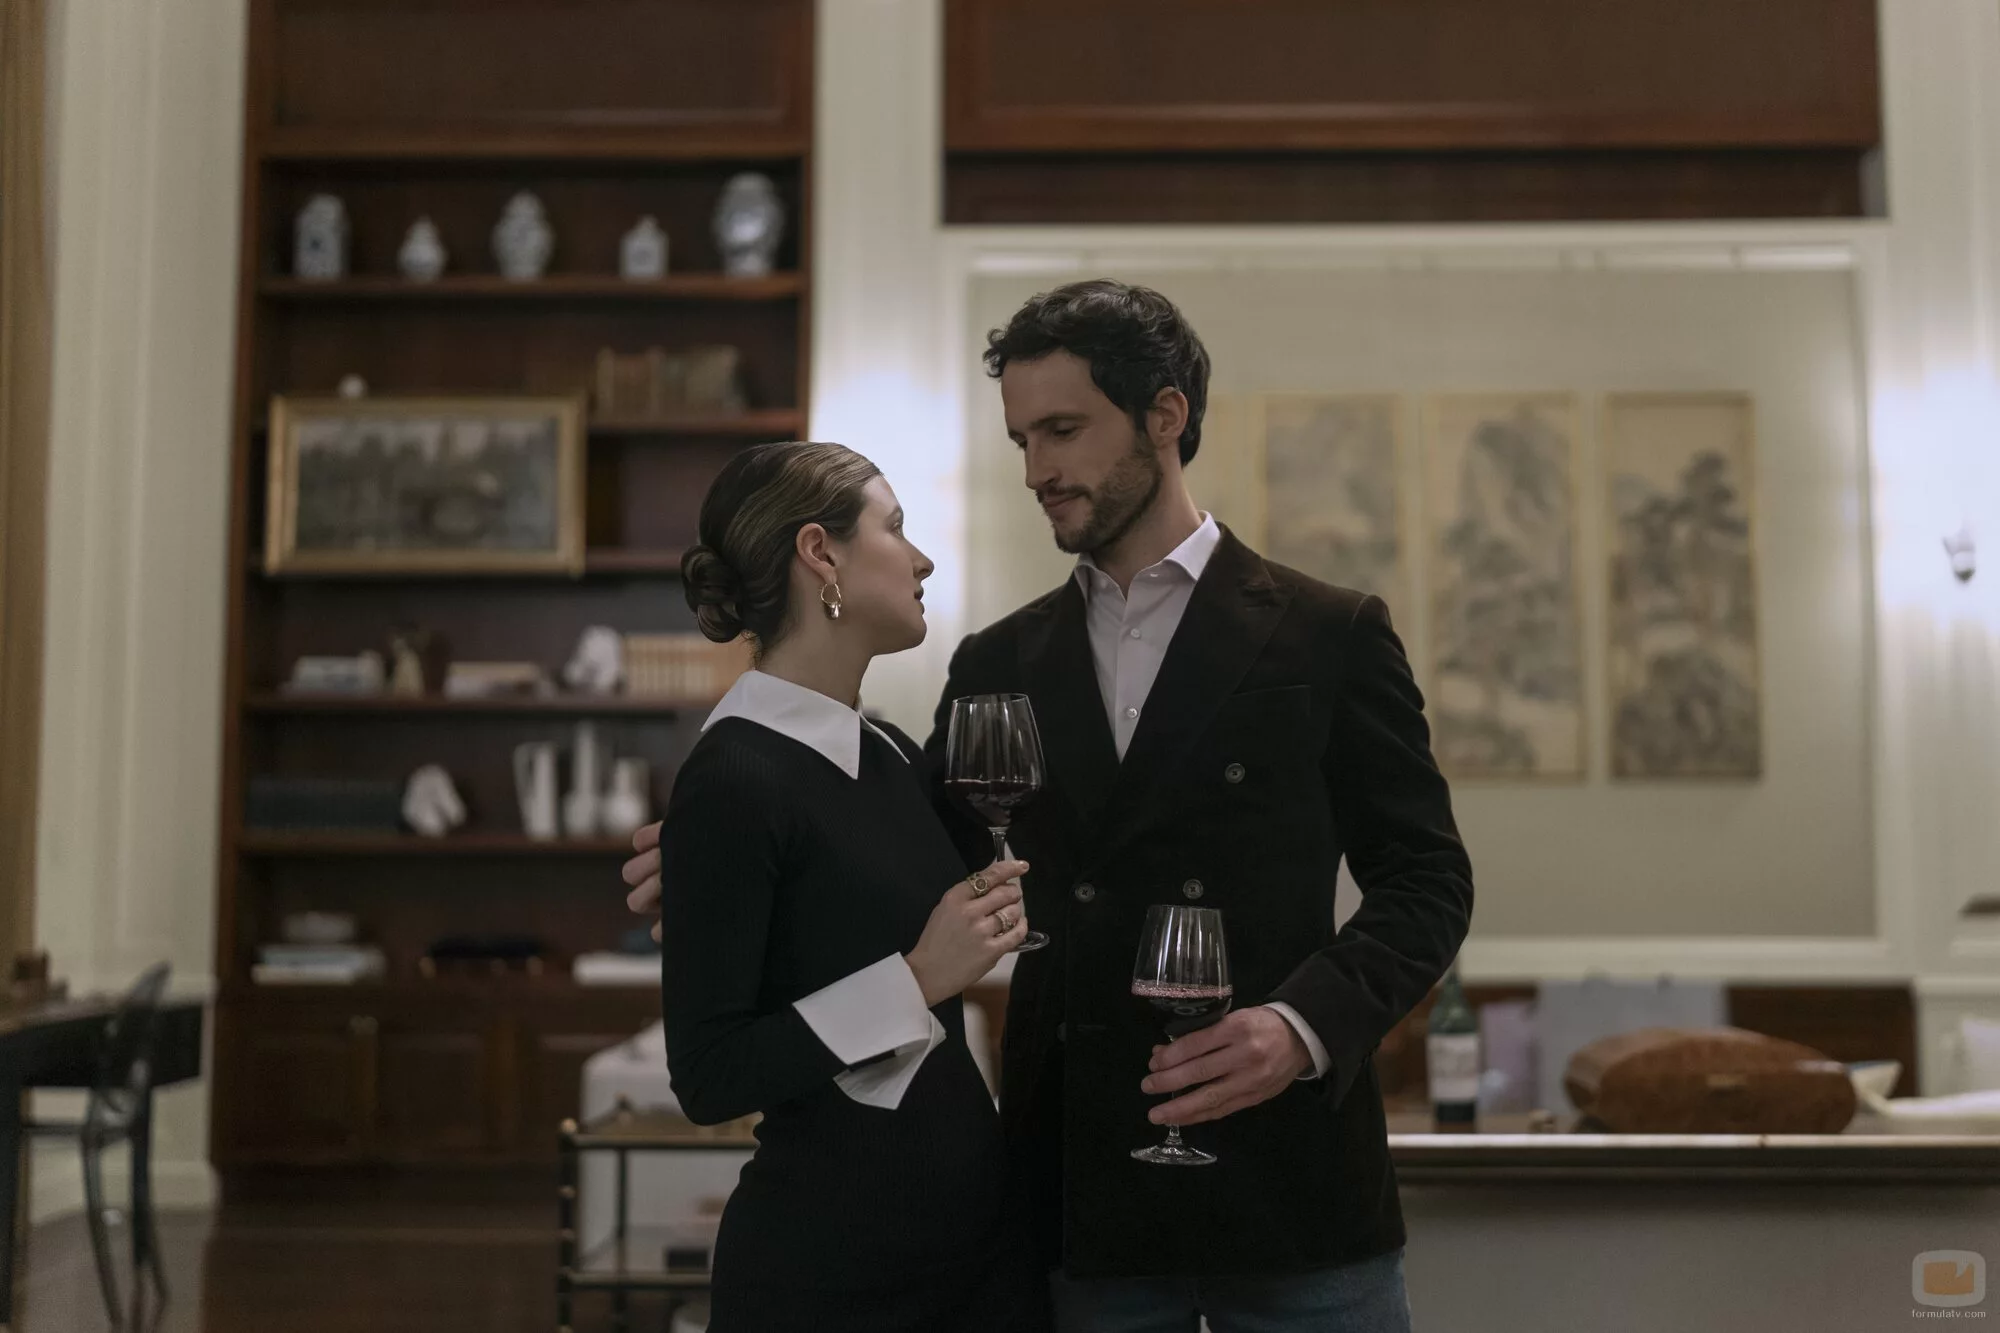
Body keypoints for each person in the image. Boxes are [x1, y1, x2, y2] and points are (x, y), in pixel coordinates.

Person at [629, 281, 1474, 1332]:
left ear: (1164, 417)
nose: (1036, 469)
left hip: (1292, 1188)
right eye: (1021, 438)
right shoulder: (997, 662)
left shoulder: (1328, 634)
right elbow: (903, 853)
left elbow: (1428, 881)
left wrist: (1298, 1027)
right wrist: (715, 852)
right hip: (1078, 1204)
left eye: (1063, 431)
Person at [639, 440, 1049, 1332]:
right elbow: (708, 1074)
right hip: (832, 1280)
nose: (922, 558)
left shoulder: (889, 749)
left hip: (975, 1263)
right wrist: (917, 978)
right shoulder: (732, 774)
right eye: (896, 527)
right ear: (820, 553)